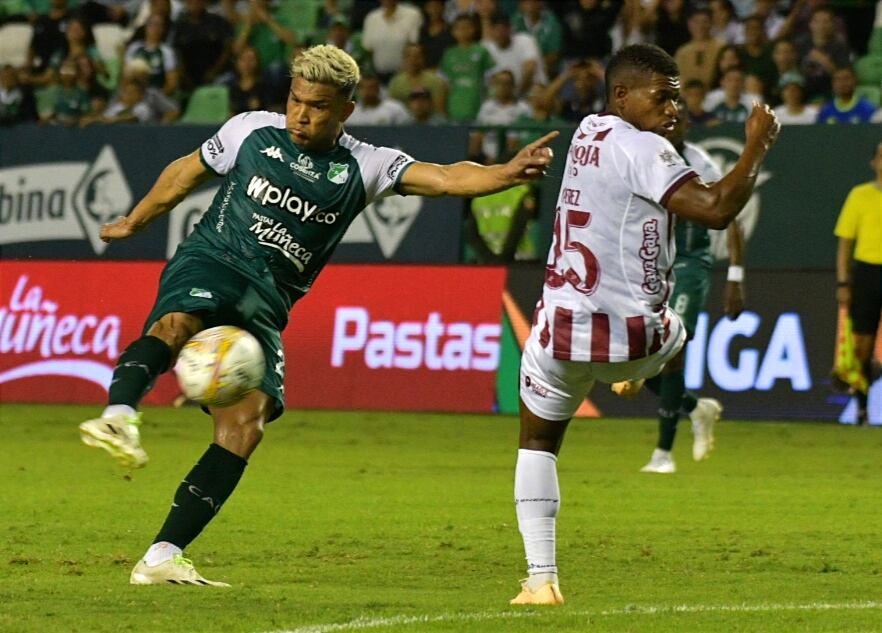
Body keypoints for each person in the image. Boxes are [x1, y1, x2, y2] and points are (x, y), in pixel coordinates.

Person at [78, 43, 557, 587]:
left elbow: (446, 178)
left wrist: (508, 172)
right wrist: (136, 221)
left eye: (319, 106)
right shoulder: (250, 131)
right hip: (213, 259)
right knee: (174, 327)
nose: (302, 115)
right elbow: (185, 173)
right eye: (297, 101)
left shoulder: (366, 164)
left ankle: (163, 554)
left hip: (267, 302)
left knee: (245, 426)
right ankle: (120, 413)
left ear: (346, 110)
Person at [510, 43, 778, 605]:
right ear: (622, 96)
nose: (674, 110)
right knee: (677, 328)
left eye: (678, 99)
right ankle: (637, 373)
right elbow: (716, 209)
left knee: (536, 444)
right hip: (634, 334)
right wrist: (755, 147)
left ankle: (541, 579)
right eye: (663, 97)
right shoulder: (644, 147)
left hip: (558, 332)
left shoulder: (588, 131)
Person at [636, 101, 745, 474]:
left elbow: (731, 217)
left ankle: (662, 454)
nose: (672, 124)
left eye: (679, 119)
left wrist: (735, 277)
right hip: (650, 267)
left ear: (686, 125)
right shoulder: (643, 157)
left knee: (672, 353)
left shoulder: (701, 163)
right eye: (666, 118)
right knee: (636, 363)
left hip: (690, 264)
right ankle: (696, 408)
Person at [834, 141, 882, 425]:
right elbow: (844, 244)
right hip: (867, 274)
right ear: (873, 163)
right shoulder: (859, 195)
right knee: (862, 345)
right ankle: (861, 407)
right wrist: (843, 282)